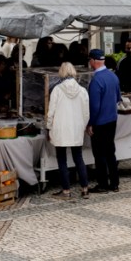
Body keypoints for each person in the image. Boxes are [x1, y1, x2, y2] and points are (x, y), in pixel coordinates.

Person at [46, 62, 90, 199]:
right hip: (76, 128)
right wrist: (82, 126)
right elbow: (86, 113)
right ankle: (85, 189)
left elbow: (51, 112)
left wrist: (48, 127)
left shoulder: (57, 90)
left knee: (62, 159)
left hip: (61, 128)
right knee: (78, 158)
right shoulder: (82, 90)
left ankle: (66, 191)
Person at [87, 48, 122, 193]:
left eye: (89, 60)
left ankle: (102, 184)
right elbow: (118, 98)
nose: (89, 63)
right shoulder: (113, 76)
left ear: (94, 61)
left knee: (99, 154)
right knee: (110, 152)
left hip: (100, 122)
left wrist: (91, 123)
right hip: (112, 120)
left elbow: (94, 106)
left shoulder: (96, 80)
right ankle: (114, 183)